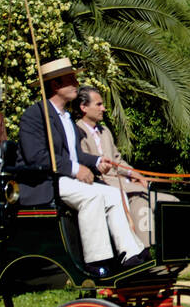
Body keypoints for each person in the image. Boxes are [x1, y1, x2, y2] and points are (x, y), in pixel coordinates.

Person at [17, 58, 148, 271]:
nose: (76, 83)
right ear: (56, 85)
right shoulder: (35, 115)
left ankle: (131, 253)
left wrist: (96, 161)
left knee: (114, 194)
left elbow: (75, 155)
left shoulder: (66, 118)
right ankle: (96, 260)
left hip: (67, 180)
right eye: (71, 79)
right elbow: (37, 157)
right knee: (93, 196)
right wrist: (76, 170)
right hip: (45, 182)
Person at [75, 86, 175, 248]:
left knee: (170, 201)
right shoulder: (77, 132)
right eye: (99, 104)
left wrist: (135, 173)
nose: (104, 108)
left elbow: (118, 160)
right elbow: (84, 164)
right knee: (139, 201)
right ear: (84, 107)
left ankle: (176, 248)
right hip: (105, 185)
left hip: (124, 183)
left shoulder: (105, 131)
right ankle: (146, 252)